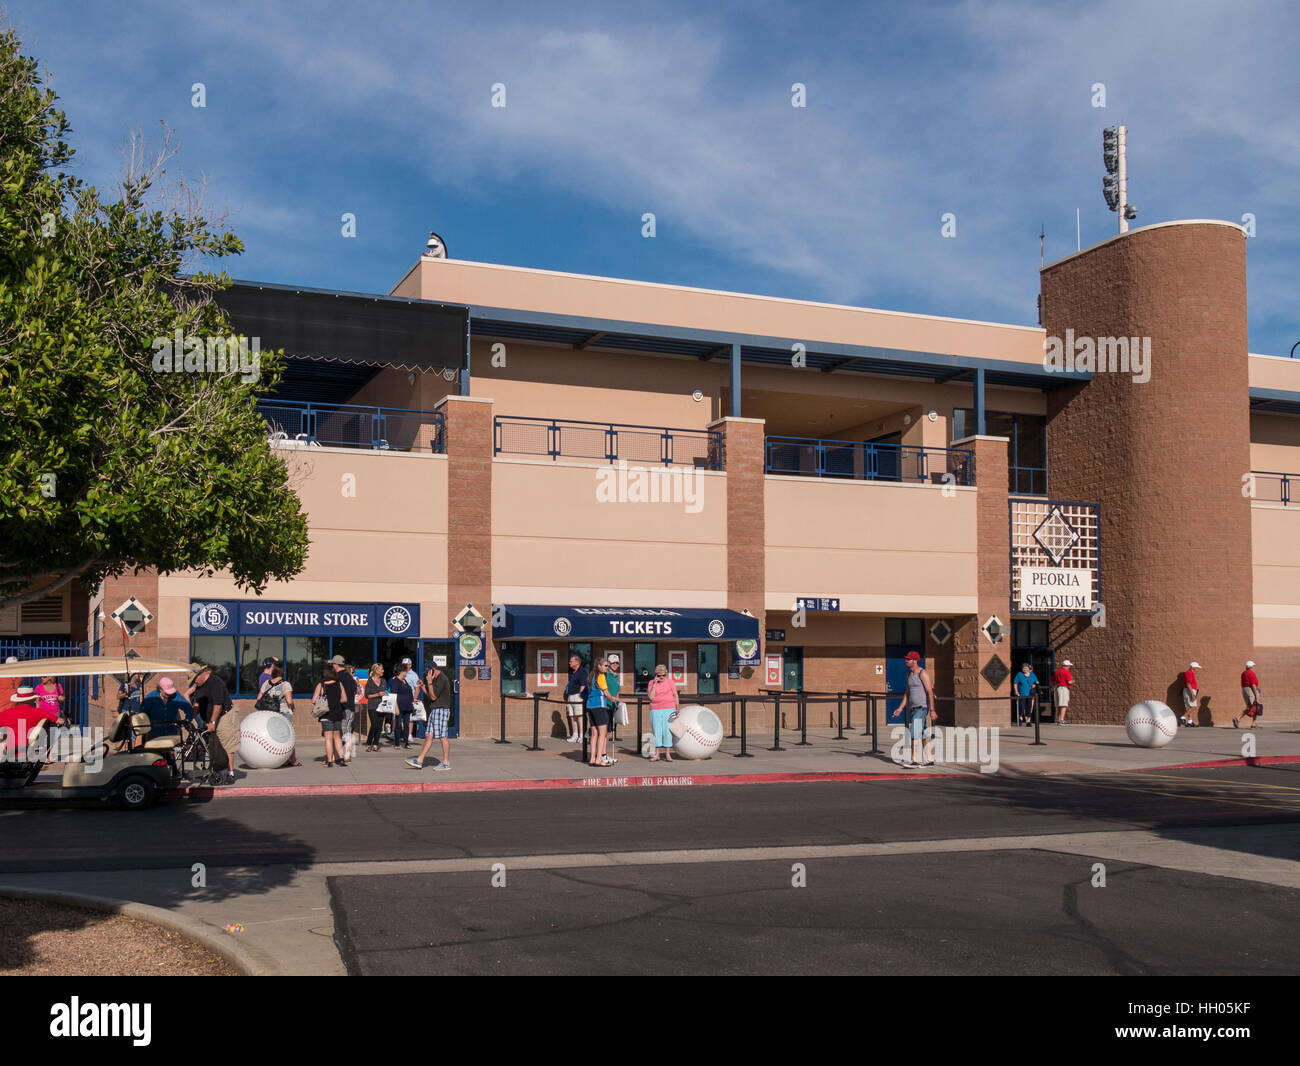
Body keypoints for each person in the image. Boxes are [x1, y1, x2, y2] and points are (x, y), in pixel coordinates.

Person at [187, 663, 239, 783]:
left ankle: (230, 773)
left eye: (195, 679)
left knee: (227, 743)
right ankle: (216, 769)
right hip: (211, 718)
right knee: (213, 745)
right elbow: (197, 705)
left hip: (224, 715)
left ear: (201, 674)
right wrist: (189, 717)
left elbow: (218, 705)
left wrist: (212, 722)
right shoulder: (198, 686)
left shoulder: (215, 682)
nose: (194, 682)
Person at [893, 651, 935, 768]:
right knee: (923, 733)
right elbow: (907, 693)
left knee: (914, 733)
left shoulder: (922, 673)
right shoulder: (909, 675)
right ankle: (930, 760)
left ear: (915, 661)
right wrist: (900, 708)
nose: (906, 661)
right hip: (913, 708)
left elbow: (930, 692)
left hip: (921, 708)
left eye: (908, 659)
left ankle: (914, 760)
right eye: (906, 659)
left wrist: (932, 710)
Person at [407, 662, 453, 770]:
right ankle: (419, 760)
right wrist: (423, 686)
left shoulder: (441, 678)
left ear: (433, 669)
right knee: (428, 736)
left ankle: (446, 762)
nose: (427, 674)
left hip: (441, 710)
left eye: (428, 671)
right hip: (434, 710)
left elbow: (433, 697)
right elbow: (430, 695)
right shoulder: (434, 679)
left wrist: (429, 682)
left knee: (443, 737)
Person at [256, 665, 300, 766]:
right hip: (283, 712)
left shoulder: (266, 683)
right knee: (288, 736)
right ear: (282, 673)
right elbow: (289, 700)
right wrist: (293, 707)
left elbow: (259, 698)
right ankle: (292, 760)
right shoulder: (285, 684)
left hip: (269, 713)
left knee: (272, 737)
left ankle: (277, 760)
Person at [585, 658, 617, 767]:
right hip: (599, 705)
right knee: (602, 734)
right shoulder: (601, 676)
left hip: (590, 705)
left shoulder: (591, 675)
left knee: (594, 734)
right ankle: (599, 759)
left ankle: (592, 758)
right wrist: (613, 699)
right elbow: (606, 692)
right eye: (605, 666)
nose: (607, 668)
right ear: (599, 666)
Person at [314, 663, 346, 766]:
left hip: (326, 714)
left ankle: (329, 761)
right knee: (337, 737)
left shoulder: (321, 685)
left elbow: (314, 700)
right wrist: (336, 701)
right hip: (337, 713)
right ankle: (341, 758)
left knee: (328, 738)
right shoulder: (339, 683)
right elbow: (344, 699)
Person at [646, 664, 679, 762]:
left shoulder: (670, 682)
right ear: (656, 675)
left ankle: (667, 754)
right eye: (659, 675)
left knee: (667, 731)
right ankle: (657, 754)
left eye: (663, 675)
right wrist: (655, 684)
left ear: (666, 674)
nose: (661, 677)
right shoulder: (651, 683)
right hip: (655, 709)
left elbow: (675, 695)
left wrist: (677, 708)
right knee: (657, 731)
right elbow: (651, 697)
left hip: (669, 709)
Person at [331, 655, 358, 761]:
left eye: (333, 664)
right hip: (350, 708)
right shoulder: (349, 677)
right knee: (347, 731)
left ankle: (346, 755)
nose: (332, 666)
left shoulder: (339, 677)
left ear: (336, 664)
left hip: (344, 708)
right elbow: (355, 691)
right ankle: (344, 754)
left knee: (344, 733)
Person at [563, 654, 587, 743]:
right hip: (570, 696)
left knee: (580, 716)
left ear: (577, 662)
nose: (569, 663)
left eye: (571, 661)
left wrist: (580, 695)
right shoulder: (572, 672)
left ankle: (581, 736)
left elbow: (583, 685)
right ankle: (575, 735)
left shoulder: (582, 672)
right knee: (572, 716)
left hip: (577, 696)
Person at [389, 662, 414, 749]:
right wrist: (396, 708)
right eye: (405, 671)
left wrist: (413, 700)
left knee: (406, 725)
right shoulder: (395, 682)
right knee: (398, 725)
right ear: (401, 671)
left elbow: (409, 692)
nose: (406, 673)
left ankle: (406, 742)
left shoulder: (405, 681)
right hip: (399, 706)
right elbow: (393, 695)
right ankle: (397, 743)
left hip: (407, 706)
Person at [364, 662, 387, 751]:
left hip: (382, 706)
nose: (383, 671)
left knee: (380, 725)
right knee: (374, 724)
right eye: (381, 669)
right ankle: (369, 743)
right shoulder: (370, 681)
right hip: (372, 706)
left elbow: (386, 692)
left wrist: (386, 694)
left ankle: (375, 744)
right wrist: (378, 694)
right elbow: (367, 695)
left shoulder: (383, 681)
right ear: (376, 670)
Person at [1235, 660, 1262, 729]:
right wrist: (1256, 694)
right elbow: (1253, 685)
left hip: (1244, 689)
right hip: (1250, 690)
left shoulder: (1243, 673)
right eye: (1253, 666)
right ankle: (1250, 723)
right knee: (1255, 706)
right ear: (1251, 666)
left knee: (1250, 707)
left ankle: (1251, 723)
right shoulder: (1251, 673)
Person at [1013, 662, 1039, 726]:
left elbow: (1037, 682)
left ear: (1028, 669)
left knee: (1029, 707)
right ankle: (1020, 718)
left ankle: (1028, 721)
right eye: (1024, 668)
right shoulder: (1019, 674)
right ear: (1022, 669)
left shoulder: (1032, 674)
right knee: (1022, 706)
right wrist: (1016, 691)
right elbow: (1015, 683)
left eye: (1026, 668)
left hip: (1030, 693)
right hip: (1022, 693)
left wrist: (1034, 685)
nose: (1025, 670)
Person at [1052, 659, 1074, 725]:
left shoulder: (1057, 672)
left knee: (1059, 705)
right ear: (1067, 666)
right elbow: (1069, 682)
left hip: (1057, 688)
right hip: (1063, 688)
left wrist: (1053, 687)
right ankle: (1061, 720)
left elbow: (1052, 680)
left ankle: (1059, 720)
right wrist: (1073, 681)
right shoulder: (1066, 672)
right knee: (1064, 705)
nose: (1069, 667)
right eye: (1069, 666)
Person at [1181, 661, 1200, 727]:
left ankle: (1190, 722)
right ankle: (1183, 717)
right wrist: (1192, 694)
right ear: (1193, 667)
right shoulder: (1189, 673)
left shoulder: (1190, 673)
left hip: (1188, 690)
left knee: (1190, 707)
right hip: (1189, 691)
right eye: (1197, 668)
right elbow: (1188, 684)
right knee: (1194, 707)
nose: (1198, 669)